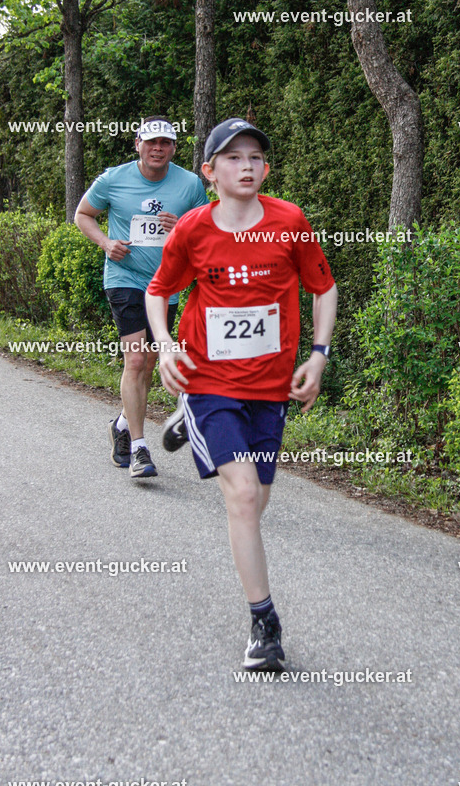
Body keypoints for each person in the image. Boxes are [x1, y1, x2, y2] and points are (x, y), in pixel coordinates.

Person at [145, 117, 337, 670]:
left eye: (254, 157)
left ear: (266, 169)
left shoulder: (289, 222)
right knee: (245, 496)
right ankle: (264, 624)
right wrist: (165, 347)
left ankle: (188, 425)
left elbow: (324, 288)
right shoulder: (193, 229)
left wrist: (318, 355)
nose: (245, 166)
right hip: (208, 379)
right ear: (209, 171)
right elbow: (158, 291)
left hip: (270, 387)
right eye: (232, 158)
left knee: (258, 501)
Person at [74, 116, 208, 478]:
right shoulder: (113, 179)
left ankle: (121, 423)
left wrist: (182, 227)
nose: (157, 148)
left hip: (166, 285)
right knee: (135, 360)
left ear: (174, 148)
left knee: (148, 363)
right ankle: (139, 449)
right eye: (151, 142)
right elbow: (83, 214)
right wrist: (106, 243)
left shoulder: (190, 184)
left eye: (165, 142)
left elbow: (206, 230)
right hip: (125, 277)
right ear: (138, 145)